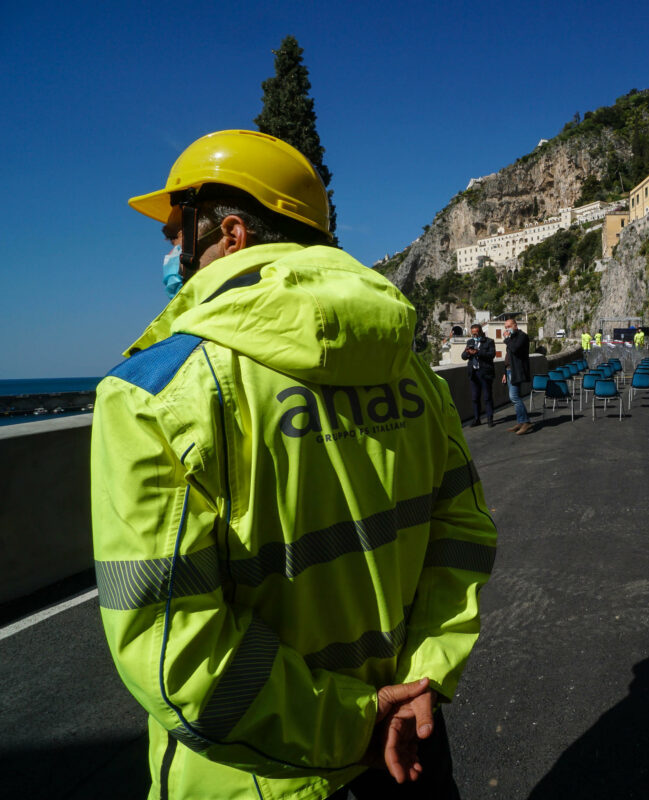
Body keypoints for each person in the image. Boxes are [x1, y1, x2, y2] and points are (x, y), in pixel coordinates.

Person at [91, 130, 497, 800]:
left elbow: (174, 653)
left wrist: (353, 727)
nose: (170, 252)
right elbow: (463, 539)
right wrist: (424, 678)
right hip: (412, 750)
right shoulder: (411, 370)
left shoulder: (153, 395)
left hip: (260, 774)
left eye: (175, 229)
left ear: (229, 233)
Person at [500, 317, 532, 435]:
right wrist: (504, 372)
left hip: (516, 371)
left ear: (515, 325)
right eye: (505, 327)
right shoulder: (512, 338)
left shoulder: (522, 336)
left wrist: (507, 338)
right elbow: (508, 357)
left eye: (508, 326)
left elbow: (515, 349)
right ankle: (520, 421)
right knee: (514, 396)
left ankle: (525, 422)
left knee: (514, 397)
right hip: (509, 371)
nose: (507, 329)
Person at [461, 323, 495, 427]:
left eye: (476, 333)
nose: (474, 335)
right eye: (473, 333)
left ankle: (490, 419)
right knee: (475, 398)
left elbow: (491, 355)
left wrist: (477, 352)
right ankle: (477, 419)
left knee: (487, 397)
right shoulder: (470, 342)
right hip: (473, 373)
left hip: (485, 373)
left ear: (480, 332)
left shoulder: (489, 341)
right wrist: (467, 353)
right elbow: (463, 356)